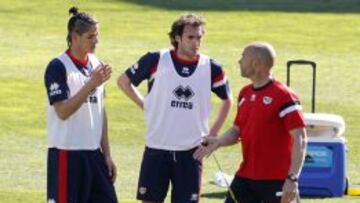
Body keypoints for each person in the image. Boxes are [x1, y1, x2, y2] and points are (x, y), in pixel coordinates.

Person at [117, 13, 232, 203]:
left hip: (191, 151)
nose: (196, 42)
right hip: (157, 147)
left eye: (199, 37)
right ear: (177, 38)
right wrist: (145, 105)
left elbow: (227, 100)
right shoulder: (155, 59)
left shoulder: (212, 67)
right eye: (190, 37)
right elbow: (123, 82)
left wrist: (213, 135)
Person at [194, 42, 307, 203]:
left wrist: (292, 179)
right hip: (246, 176)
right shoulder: (245, 93)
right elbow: (237, 130)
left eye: (243, 57)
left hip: (277, 179)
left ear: (255, 63)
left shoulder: (284, 96)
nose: (239, 61)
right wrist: (218, 141)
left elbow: (300, 139)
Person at [44, 7, 117, 203]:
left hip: (94, 155)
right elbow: (62, 111)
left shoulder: (96, 64)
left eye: (97, 35)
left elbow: (100, 111)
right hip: (66, 155)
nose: (96, 41)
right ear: (75, 36)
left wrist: (107, 155)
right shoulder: (58, 67)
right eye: (90, 36)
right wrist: (91, 84)